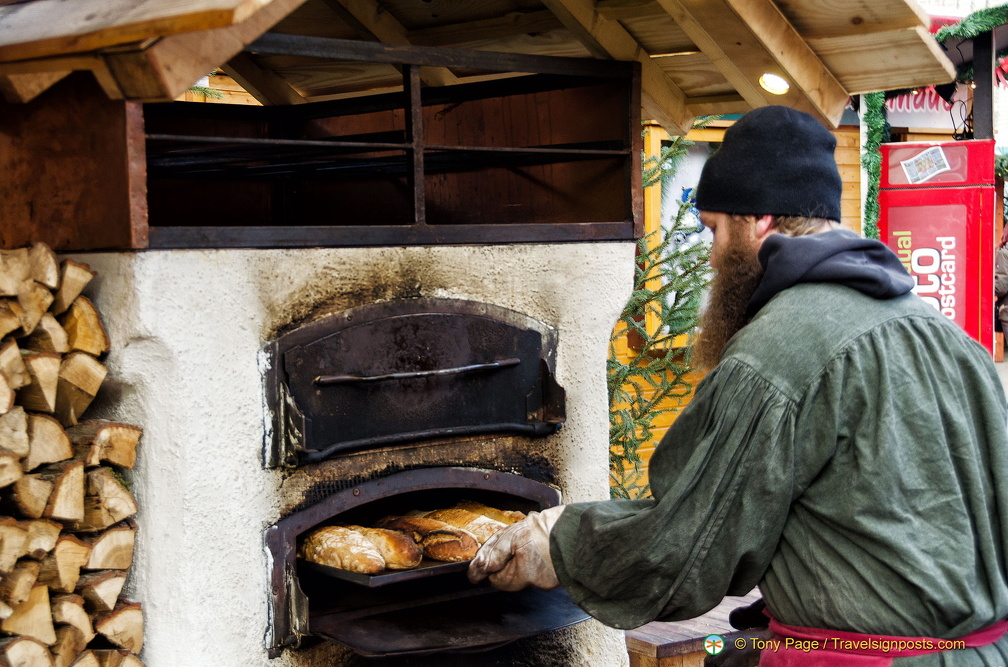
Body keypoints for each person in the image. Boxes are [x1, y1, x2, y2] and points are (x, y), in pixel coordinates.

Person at [468, 105, 1008, 665]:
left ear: (762, 222)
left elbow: (688, 542)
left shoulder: (780, 351)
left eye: (715, 230)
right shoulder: (949, 338)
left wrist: (555, 542)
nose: (712, 255)